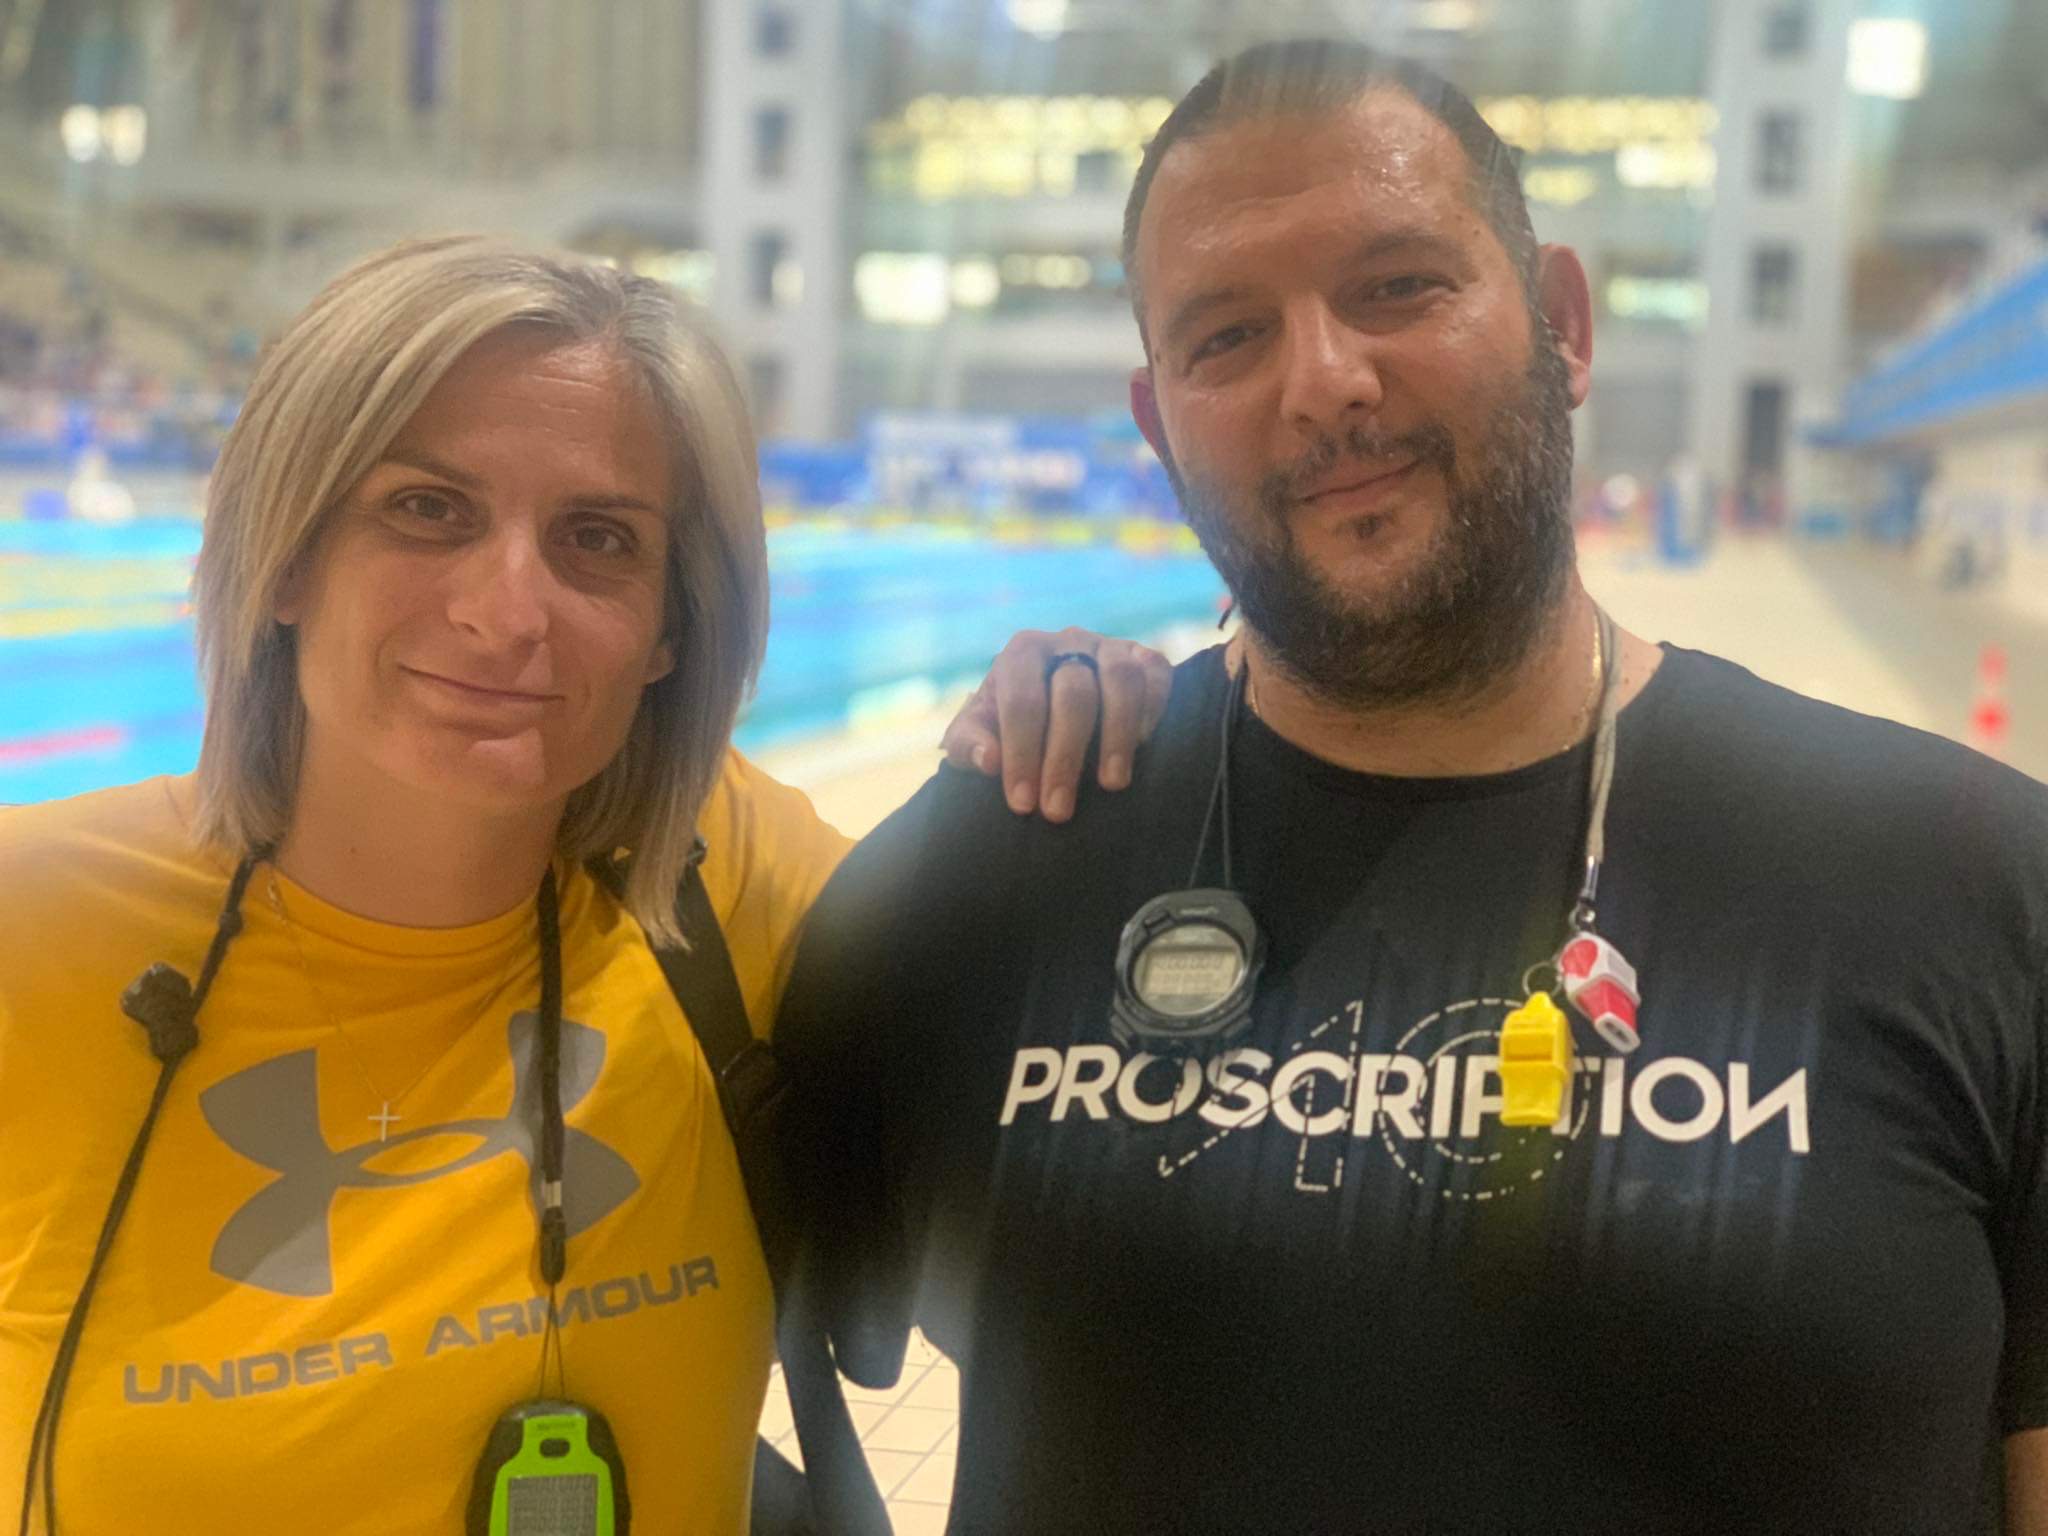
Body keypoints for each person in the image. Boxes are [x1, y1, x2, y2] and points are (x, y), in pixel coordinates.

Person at [773, 40, 2048, 1535]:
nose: (1325, 381)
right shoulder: (984, 870)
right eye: (1227, 336)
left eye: (1397, 286)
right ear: (1157, 423)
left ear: (1564, 325)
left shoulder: (1968, 885)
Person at [0, 236, 1173, 1535]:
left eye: (599, 539)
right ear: (283, 557)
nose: (510, 612)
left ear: (672, 628)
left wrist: (1087, 724)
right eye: (426, 509)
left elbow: (1099, 1108)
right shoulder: (32, 927)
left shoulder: (722, 878)